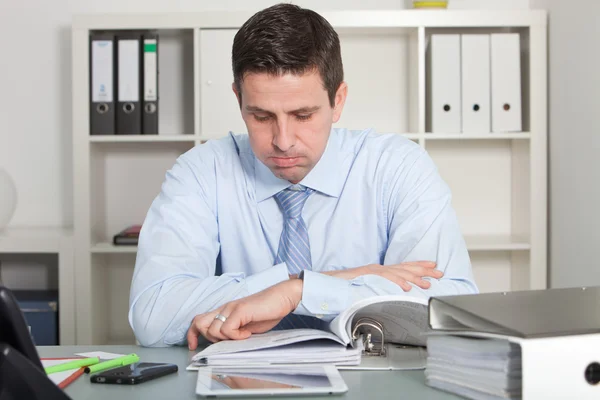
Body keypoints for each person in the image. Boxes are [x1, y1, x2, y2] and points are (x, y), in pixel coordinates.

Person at [128, 3, 478, 349]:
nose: (282, 141)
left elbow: (449, 306)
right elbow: (152, 315)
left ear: (337, 101)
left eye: (303, 115)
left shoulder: (397, 167)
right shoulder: (201, 172)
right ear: (238, 100)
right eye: (261, 116)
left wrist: (297, 293)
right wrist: (319, 281)